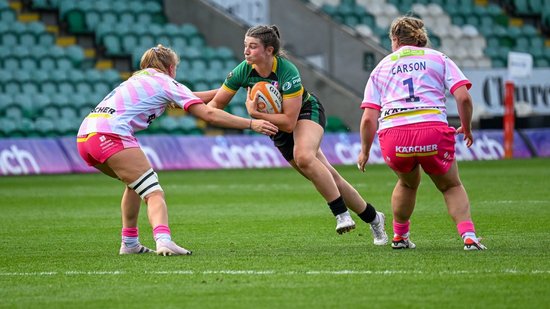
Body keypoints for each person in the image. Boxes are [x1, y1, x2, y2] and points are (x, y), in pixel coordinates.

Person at [77, 44, 278, 256]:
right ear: (171, 67)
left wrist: (231, 88)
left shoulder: (137, 79)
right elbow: (208, 115)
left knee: (135, 185)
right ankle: (163, 241)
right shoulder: (165, 82)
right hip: (111, 135)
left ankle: (130, 243)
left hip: (85, 137)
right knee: (154, 193)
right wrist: (250, 124)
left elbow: (188, 96)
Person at [206, 25, 388, 245]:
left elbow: (290, 122)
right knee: (328, 176)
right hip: (278, 129)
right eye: (246, 45)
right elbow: (215, 105)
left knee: (303, 156)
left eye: (252, 47)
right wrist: (194, 105)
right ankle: (374, 218)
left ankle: (341, 214)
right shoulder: (243, 70)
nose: (246, 51)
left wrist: (254, 114)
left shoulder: (287, 71)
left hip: (305, 112)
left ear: (269, 50)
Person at [357, 16, 487, 251]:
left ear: (395, 39)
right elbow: (464, 97)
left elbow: (368, 118)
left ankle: (400, 236)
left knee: (407, 184)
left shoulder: (381, 67)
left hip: (394, 136)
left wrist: (364, 151)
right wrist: (466, 128)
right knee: (451, 186)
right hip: (432, 131)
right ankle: (468, 237)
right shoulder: (438, 58)